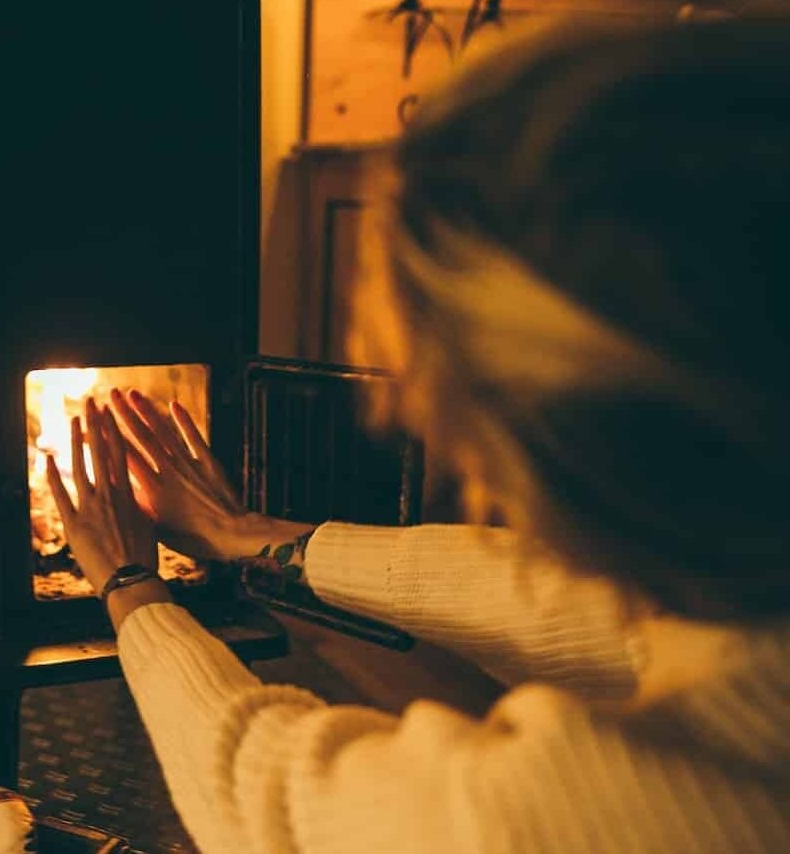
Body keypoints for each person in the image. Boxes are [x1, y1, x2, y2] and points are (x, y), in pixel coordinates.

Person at [44, 17, 790, 853]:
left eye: (451, 400)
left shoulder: (612, 804)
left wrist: (130, 585)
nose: (412, 422)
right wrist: (245, 536)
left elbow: (269, 789)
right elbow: (563, 604)